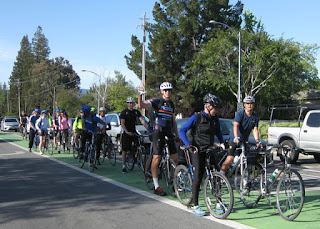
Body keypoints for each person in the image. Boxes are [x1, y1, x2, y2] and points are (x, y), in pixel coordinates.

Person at [179, 94, 225, 216]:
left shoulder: (215, 118)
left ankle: (219, 202)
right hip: (197, 150)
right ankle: (195, 205)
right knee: (198, 175)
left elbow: (218, 132)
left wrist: (222, 142)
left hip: (209, 148)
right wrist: (189, 145)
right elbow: (182, 130)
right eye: (216, 108)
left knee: (217, 173)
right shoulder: (196, 117)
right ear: (208, 107)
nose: (217, 111)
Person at [138, 82, 179, 196]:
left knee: (175, 158)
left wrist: (177, 135)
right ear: (161, 91)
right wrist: (140, 94)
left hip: (169, 132)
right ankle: (157, 186)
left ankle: (173, 180)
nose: (168, 92)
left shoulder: (171, 104)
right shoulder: (157, 101)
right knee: (156, 158)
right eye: (165, 90)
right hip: (158, 132)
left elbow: (173, 121)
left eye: (169, 90)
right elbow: (141, 105)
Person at [221, 96, 262, 174]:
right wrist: (236, 137)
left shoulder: (255, 116)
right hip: (234, 139)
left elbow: (255, 129)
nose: (249, 105)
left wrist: (257, 141)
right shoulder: (240, 114)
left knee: (244, 160)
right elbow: (236, 125)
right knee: (230, 158)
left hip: (244, 140)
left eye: (251, 103)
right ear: (244, 105)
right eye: (247, 103)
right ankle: (221, 175)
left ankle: (244, 180)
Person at [120, 97, 148, 173]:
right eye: (129, 103)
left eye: (132, 103)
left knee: (138, 144)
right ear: (127, 104)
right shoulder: (124, 112)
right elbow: (122, 123)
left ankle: (137, 158)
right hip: (126, 132)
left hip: (134, 131)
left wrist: (148, 128)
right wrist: (126, 131)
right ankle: (123, 166)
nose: (130, 104)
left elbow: (142, 120)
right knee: (125, 149)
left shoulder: (136, 112)